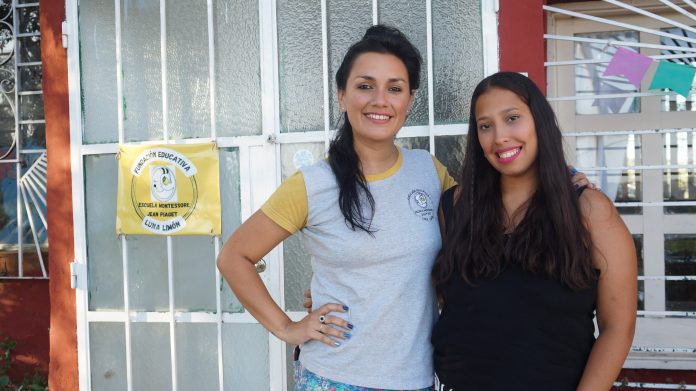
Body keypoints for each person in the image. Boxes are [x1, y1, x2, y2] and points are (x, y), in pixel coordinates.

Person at [217, 25, 451, 390]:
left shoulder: (429, 171)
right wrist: (287, 327)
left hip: (415, 377)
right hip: (335, 377)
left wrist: (565, 182)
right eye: (364, 86)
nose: (379, 99)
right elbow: (234, 257)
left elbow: (480, 232)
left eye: (394, 88)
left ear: (410, 99)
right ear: (342, 96)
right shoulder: (313, 184)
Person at [431, 72, 636, 391]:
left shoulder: (589, 211)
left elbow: (618, 327)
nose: (499, 136)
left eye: (512, 118)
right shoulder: (455, 207)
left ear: (539, 121)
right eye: (485, 125)